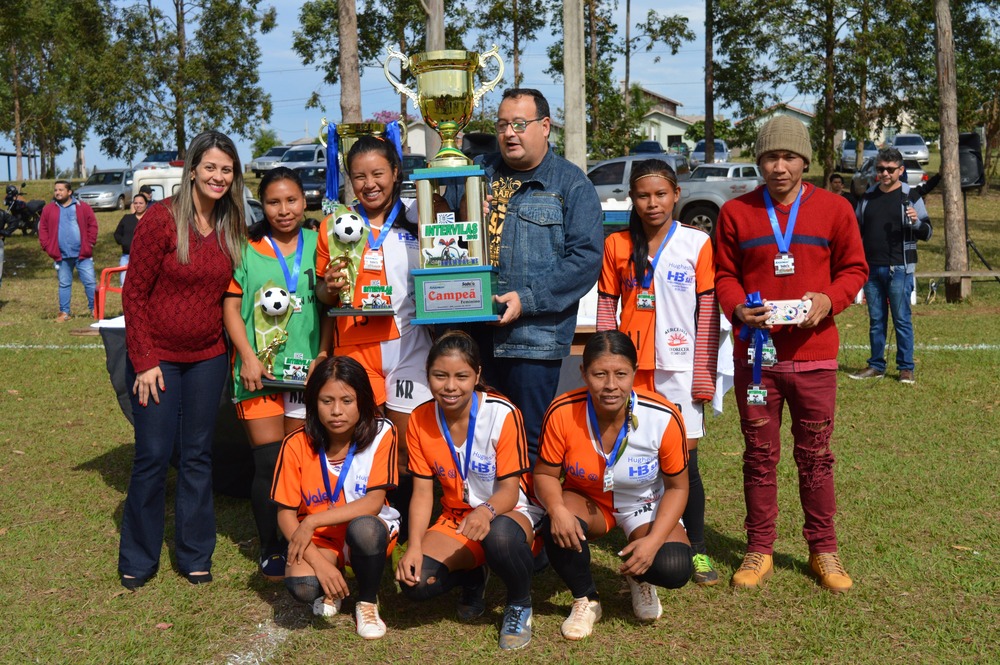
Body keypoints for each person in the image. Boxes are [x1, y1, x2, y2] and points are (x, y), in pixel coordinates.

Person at [714, 115, 867, 592]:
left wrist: (829, 300)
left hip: (815, 355)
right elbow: (723, 275)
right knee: (759, 455)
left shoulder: (836, 209)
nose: (779, 167)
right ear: (759, 160)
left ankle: (824, 550)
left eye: (789, 157)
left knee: (816, 456)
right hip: (758, 363)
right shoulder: (736, 213)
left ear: (805, 161)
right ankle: (759, 548)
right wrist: (738, 306)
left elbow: (855, 269)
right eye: (770, 157)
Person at [118, 130, 247, 589]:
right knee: (152, 455)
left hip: (208, 358)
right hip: (158, 360)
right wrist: (146, 358)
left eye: (226, 170)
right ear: (193, 169)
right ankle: (138, 556)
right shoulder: (160, 220)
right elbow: (133, 295)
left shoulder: (233, 225)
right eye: (210, 167)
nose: (218, 177)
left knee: (197, 457)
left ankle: (194, 553)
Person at [596, 158, 721, 586]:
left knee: (684, 463)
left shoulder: (697, 243)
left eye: (661, 194)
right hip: (632, 371)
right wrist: (605, 364)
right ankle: (632, 528)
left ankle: (698, 547)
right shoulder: (616, 245)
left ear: (676, 195)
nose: (652, 203)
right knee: (630, 450)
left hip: (679, 370)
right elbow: (605, 306)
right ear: (632, 197)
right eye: (643, 195)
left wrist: (704, 372)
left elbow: (708, 311)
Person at [465, 88, 604, 464]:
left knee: (527, 440)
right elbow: (440, 232)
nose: (510, 133)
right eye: (502, 125)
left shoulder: (572, 185)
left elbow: (585, 260)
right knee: (477, 435)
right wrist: (461, 206)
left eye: (520, 124)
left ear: (545, 127)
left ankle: (526, 519)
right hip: (473, 334)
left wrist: (526, 299)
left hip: (533, 339)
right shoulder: (476, 173)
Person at [316, 135, 438, 542]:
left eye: (378, 174)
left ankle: (409, 534)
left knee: (407, 448)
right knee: (362, 446)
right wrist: (330, 286)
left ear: (395, 173)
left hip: (409, 349)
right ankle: (368, 533)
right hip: (356, 350)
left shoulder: (419, 219)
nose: (369, 184)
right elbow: (321, 296)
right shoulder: (334, 226)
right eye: (359, 176)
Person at [534, 331, 692, 639]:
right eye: (599, 374)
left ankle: (641, 578)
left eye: (621, 374)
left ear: (634, 372)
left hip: (644, 501)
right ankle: (586, 599)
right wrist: (556, 509)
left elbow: (678, 487)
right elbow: (544, 474)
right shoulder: (562, 410)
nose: (610, 385)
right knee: (558, 527)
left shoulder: (663, 415)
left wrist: (654, 541)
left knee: (673, 566)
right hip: (588, 498)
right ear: (583, 372)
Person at [396, 331, 542, 651]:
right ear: (428, 375)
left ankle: (519, 603)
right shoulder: (420, 419)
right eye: (440, 376)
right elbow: (422, 493)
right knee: (415, 582)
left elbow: (509, 489)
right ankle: (475, 574)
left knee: (499, 538)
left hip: (510, 511)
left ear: (477, 375)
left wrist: (485, 511)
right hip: (457, 517)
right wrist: (415, 546)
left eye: (461, 376)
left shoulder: (503, 413)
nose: (450, 386)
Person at [223, 167, 327, 581]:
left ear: (304, 201)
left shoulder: (322, 241)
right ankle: (271, 547)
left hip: (306, 376)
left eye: (291, 200)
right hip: (260, 375)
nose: (283, 210)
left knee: (300, 463)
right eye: (273, 202)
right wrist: (247, 356)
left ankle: (303, 539)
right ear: (261, 206)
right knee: (268, 463)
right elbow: (231, 307)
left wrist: (323, 353)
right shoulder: (246, 248)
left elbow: (330, 305)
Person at [271, 356, 399, 640]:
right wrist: (319, 564)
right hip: (322, 538)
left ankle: (366, 601)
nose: (336, 411)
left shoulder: (382, 432)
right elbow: (285, 514)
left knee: (364, 529)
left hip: (368, 528)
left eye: (347, 401)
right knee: (304, 585)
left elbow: (373, 502)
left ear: (363, 400)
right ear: (313, 403)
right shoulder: (295, 443)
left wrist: (312, 520)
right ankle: (332, 581)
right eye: (326, 401)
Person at [849, 147, 932, 385]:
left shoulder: (911, 196)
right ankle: (876, 365)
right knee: (876, 320)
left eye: (889, 169)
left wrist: (916, 222)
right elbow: (856, 230)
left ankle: (906, 368)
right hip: (872, 270)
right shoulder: (868, 197)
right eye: (880, 169)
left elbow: (928, 232)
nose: (884, 173)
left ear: (901, 170)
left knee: (901, 318)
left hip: (900, 269)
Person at [38, 180, 98, 322]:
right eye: (56, 190)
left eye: (61, 190)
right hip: (61, 255)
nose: (57, 192)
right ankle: (64, 313)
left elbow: (92, 225)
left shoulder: (82, 207)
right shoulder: (48, 209)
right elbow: (43, 229)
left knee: (90, 282)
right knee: (64, 284)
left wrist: (90, 243)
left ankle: (95, 310)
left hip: (82, 254)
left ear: (69, 192)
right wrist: (48, 247)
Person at [113, 192, 149, 285]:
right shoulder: (127, 218)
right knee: (124, 283)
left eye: (141, 203)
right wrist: (124, 242)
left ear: (146, 204)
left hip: (145, 258)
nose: (138, 205)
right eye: (136, 203)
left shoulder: (150, 220)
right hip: (127, 256)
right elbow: (117, 234)